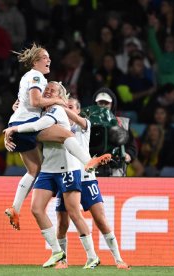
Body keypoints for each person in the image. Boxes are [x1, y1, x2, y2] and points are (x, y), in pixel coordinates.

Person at [3, 44, 111, 230]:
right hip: (27, 127)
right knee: (65, 134)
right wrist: (58, 101)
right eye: (45, 57)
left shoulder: (27, 77)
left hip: (18, 123)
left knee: (33, 170)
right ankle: (89, 161)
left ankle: (15, 208)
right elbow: (36, 102)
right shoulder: (37, 77)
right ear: (36, 61)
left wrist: (12, 127)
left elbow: (27, 103)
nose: (49, 60)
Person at [5, 82, 101, 269]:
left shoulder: (57, 110)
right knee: (36, 209)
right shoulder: (38, 111)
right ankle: (57, 252)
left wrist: (15, 129)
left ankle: (92, 256)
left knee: (73, 213)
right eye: (46, 89)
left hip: (68, 168)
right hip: (49, 168)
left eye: (53, 90)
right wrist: (17, 115)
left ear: (60, 96)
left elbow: (42, 125)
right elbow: (29, 117)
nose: (48, 91)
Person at [54, 96, 130, 270]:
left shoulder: (83, 125)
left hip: (86, 178)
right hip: (65, 176)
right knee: (62, 223)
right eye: (65, 106)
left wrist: (59, 106)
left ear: (78, 110)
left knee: (100, 219)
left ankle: (118, 259)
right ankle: (63, 260)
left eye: (71, 107)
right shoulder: (57, 128)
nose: (67, 109)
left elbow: (78, 121)